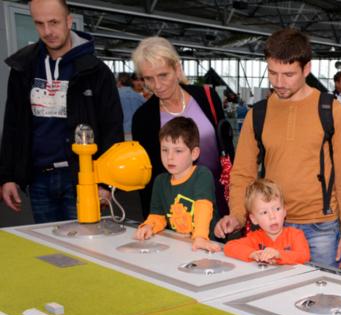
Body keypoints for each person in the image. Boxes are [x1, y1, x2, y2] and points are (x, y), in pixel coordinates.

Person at [214, 28, 341, 267]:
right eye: (272, 73)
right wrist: (237, 215)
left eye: (288, 74)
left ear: (306, 69)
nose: (279, 83)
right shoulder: (258, 114)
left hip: (322, 227)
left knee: (319, 296)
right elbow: (242, 173)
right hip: (270, 228)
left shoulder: (331, 110)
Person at [0, 0, 123, 223]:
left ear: (68, 21)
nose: (47, 31)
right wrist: (8, 176)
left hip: (82, 178)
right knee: (52, 254)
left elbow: (112, 128)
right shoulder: (23, 67)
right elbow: (13, 125)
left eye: (54, 22)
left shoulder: (96, 71)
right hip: (39, 178)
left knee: (86, 248)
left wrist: (106, 183)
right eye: (40, 24)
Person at [131, 36, 234, 218]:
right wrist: (153, 219)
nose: (157, 85)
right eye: (149, 79)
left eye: (163, 75)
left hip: (219, 200)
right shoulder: (144, 118)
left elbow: (226, 147)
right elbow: (148, 175)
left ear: (177, 69)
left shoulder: (207, 97)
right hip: (177, 210)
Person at [134, 117, 221, 253]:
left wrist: (200, 237)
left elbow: (203, 206)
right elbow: (158, 216)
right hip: (180, 247)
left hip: (207, 246)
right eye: (165, 150)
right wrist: (149, 226)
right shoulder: (160, 182)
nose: (170, 157)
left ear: (194, 153)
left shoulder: (202, 174)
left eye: (178, 151)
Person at [224, 179, 310, 264]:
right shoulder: (254, 238)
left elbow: (304, 256)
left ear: (284, 211)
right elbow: (229, 247)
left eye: (277, 209)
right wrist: (252, 254)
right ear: (254, 219)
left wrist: (278, 254)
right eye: (264, 212)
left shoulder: (295, 235)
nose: (272, 216)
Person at [117, 72, 145, 140]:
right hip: (137, 131)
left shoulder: (114, 96)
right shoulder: (139, 97)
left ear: (119, 82)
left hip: (120, 132)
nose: (139, 83)